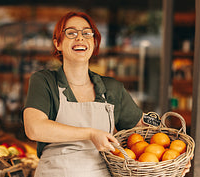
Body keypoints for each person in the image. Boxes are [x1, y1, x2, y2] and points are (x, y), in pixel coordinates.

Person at [23, 11, 148, 177]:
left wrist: (173, 157)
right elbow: (34, 128)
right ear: (58, 43)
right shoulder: (45, 81)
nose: (80, 38)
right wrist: (90, 133)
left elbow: (144, 131)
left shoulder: (111, 88)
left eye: (87, 33)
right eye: (71, 33)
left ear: (94, 42)